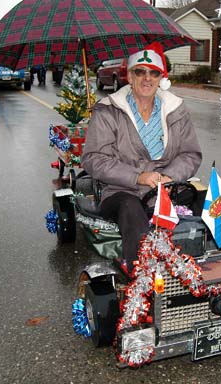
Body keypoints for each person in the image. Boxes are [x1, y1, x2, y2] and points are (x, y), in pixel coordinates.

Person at [82, 42, 202, 273]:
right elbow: (94, 158)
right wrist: (138, 177)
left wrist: (169, 176)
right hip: (121, 191)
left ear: (161, 77)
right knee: (130, 208)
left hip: (166, 188)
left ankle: (201, 271)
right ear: (129, 75)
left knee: (203, 207)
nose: (147, 78)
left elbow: (190, 153)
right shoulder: (108, 110)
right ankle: (143, 275)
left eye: (153, 72)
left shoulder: (176, 110)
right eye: (140, 71)